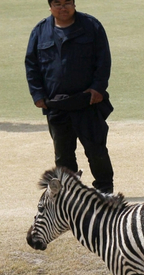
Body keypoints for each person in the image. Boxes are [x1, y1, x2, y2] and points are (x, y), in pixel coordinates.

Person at [25, 0, 115, 194]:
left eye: (67, 3)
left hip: (86, 101)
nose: (62, 7)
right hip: (56, 104)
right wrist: (37, 94)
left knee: (96, 149)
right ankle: (70, 192)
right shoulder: (40, 31)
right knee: (63, 155)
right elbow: (32, 65)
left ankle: (105, 189)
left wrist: (98, 88)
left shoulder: (91, 26)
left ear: (74, 4)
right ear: (50, 6)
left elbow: (103, 59)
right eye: (57, 3)